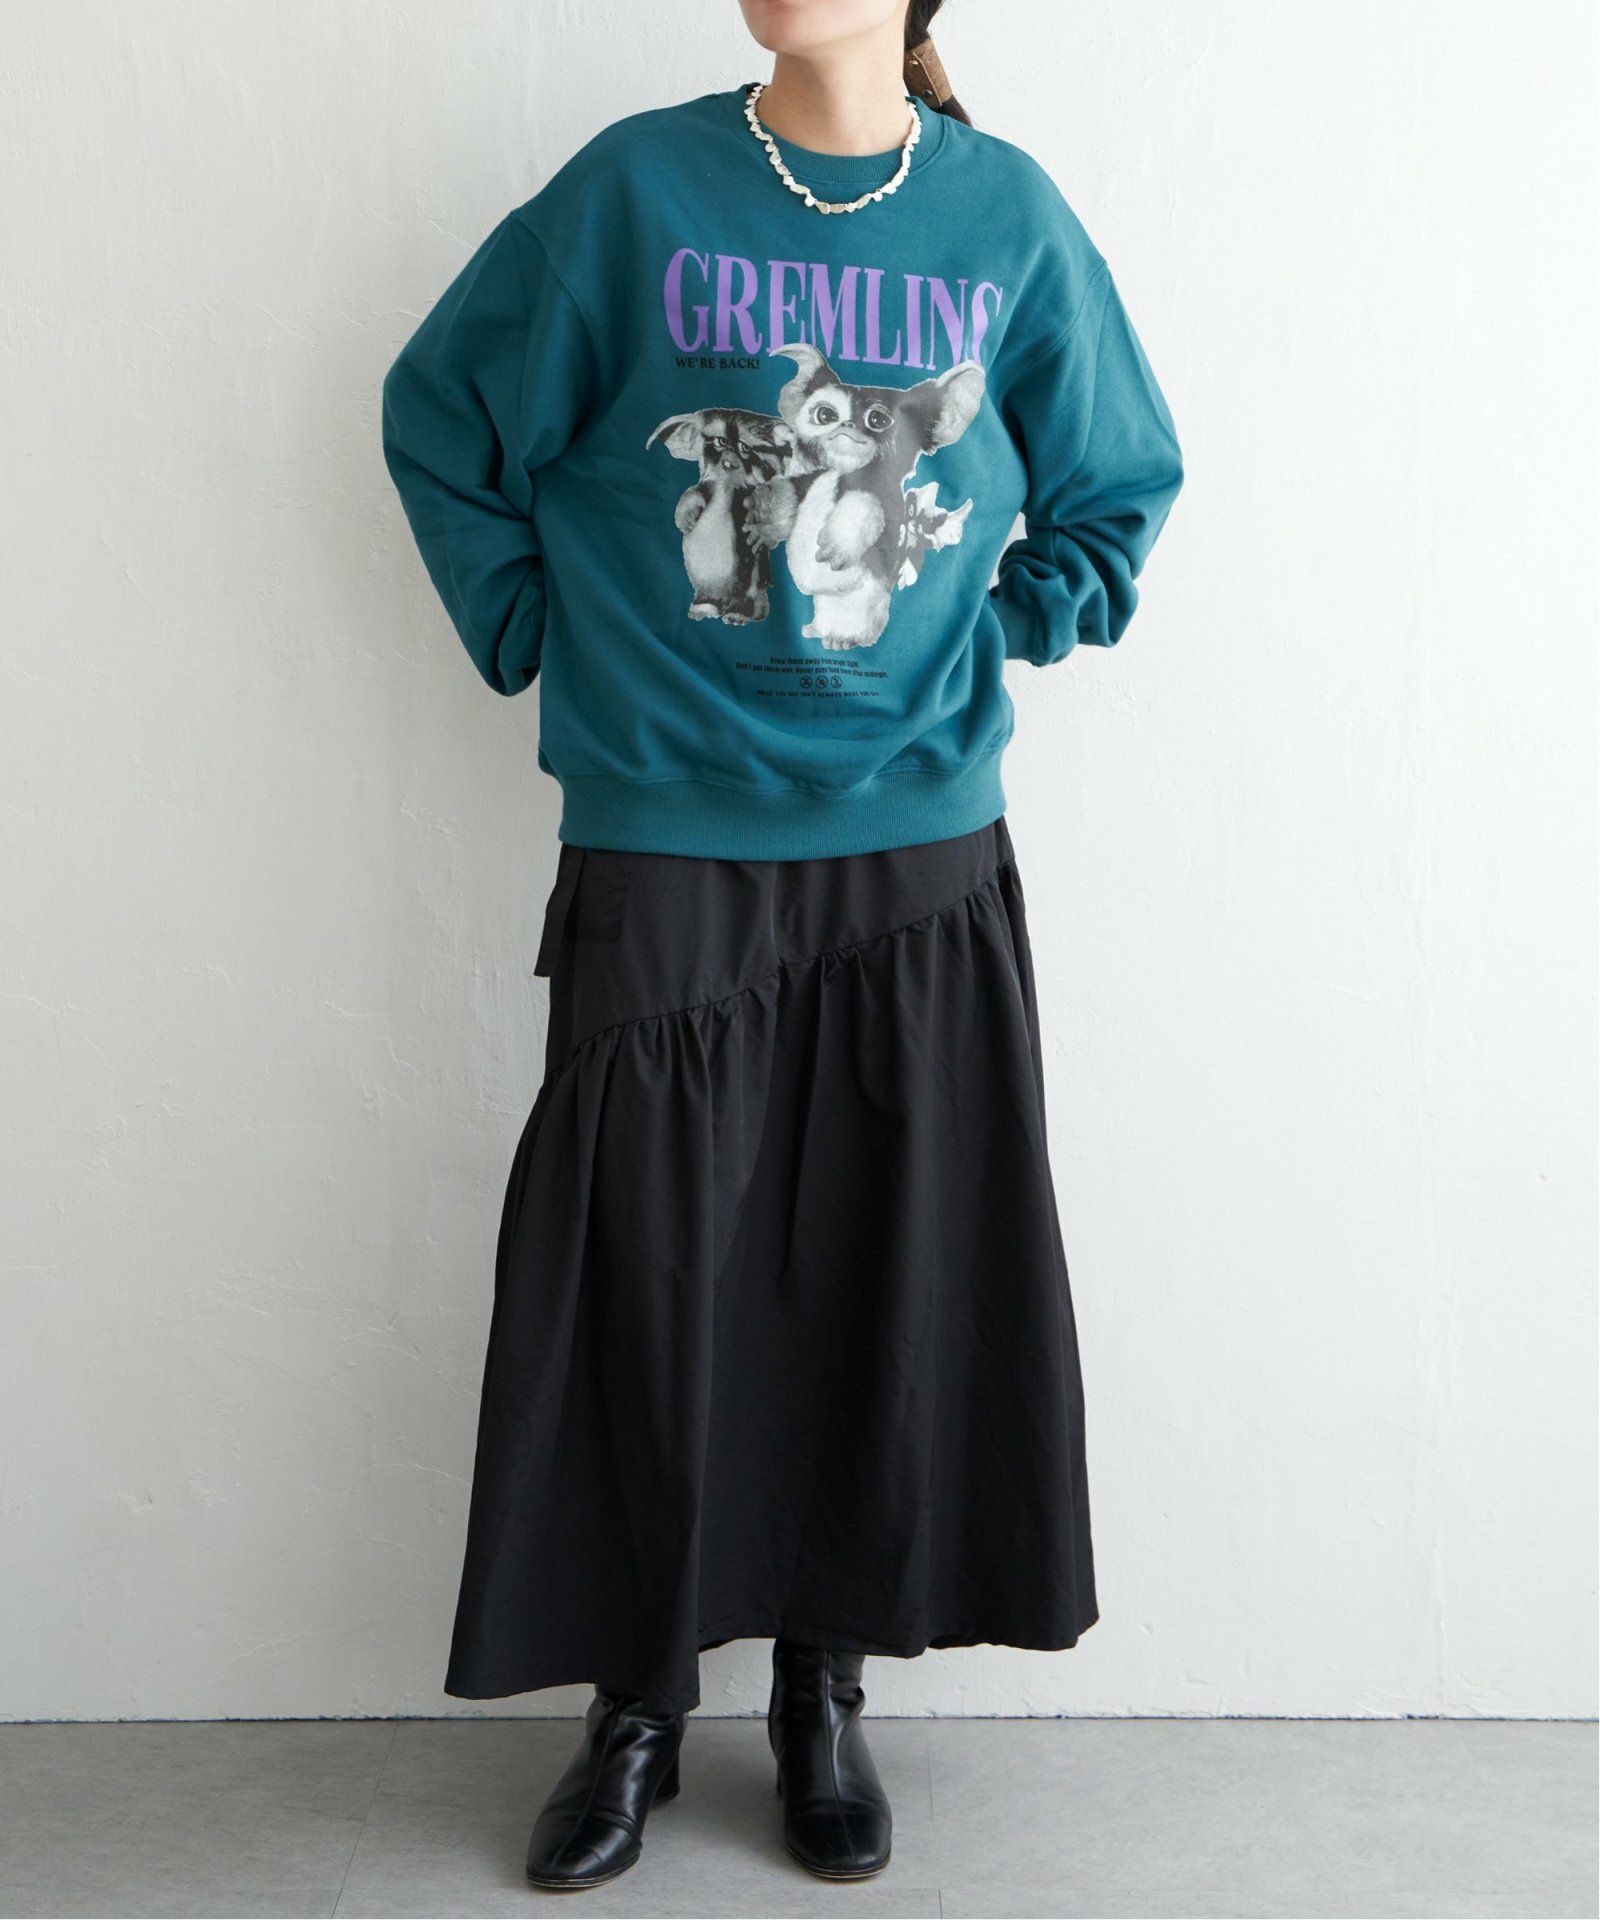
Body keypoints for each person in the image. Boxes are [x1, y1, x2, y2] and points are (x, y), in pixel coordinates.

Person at [380, 0, 1182, 1891]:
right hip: (668, 831)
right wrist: (546, 634)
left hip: (917, 844)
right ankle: (638, 1705)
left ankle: (825, 1687)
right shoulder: (634, 195)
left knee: (879, 1266)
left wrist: (994, 634)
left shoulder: (1003, 215)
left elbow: (1118, 481)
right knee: (648, 1280)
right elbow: (442, 417)